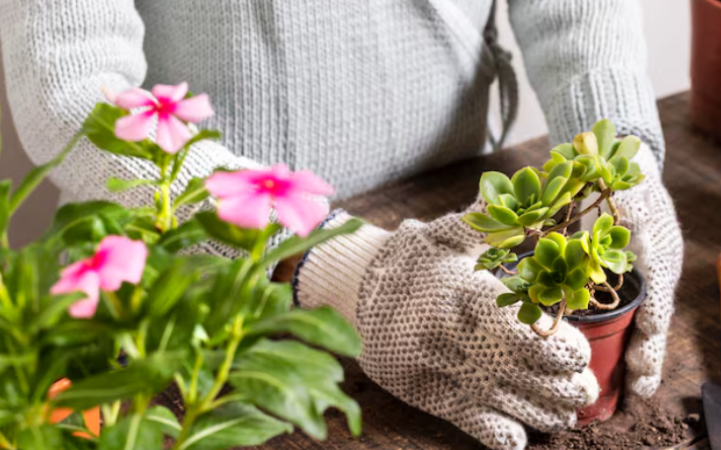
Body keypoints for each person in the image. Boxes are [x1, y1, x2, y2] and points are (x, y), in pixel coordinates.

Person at [0, 1, 683, 449]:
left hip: (462, 240)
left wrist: (616, 153)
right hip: (188, 303)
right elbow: (72, 88)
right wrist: (329, 261)